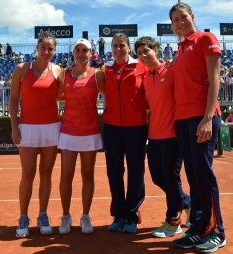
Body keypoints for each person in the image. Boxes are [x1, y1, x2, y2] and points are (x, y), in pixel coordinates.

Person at [169, 3, 226, 253]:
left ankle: (217, 231)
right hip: (183, 119)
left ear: (192, 17)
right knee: (192, 175)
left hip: (201, 116)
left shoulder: (205, 38)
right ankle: (199, 227)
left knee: (203, 174)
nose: (180, 22)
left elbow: (215, 79)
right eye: (175, 20)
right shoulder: (179, 49)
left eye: (183, 17)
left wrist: (207, 117)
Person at [134, 36, 191, 238]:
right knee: (158, 177)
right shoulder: (146, 78)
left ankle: (173, 221)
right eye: (139, 53)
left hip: (174, 135)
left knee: (171, 176)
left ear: (156, 50)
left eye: (146, 51)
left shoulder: (172, 70)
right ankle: (187, 202)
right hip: (154, 136)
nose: (143, 55)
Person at [9, 31, 61, 238]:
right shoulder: (21, 69)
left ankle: (43, 215)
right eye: (43, 47)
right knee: (28, 174)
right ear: (37, 47)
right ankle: (23, 216)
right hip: (28, 128)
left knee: (46, 174)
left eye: (50, 48)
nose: (46, 51)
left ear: (54, 51)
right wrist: (14, 127)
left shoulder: (58, 70)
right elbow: (13, 100)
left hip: (51, 128)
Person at [57, 38, 105, 235]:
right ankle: (66, 215)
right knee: (66, 175)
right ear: (73, 53)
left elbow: (110, 93)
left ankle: (85, 216)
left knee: (87, 175)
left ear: (90, 53)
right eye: (77, 50)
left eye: (85, 50)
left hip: (90, 130)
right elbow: (58, 96)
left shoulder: (98, 75)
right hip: (68, 131)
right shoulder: (63, 75)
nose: (81, 53)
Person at [102, 32, 148, 234]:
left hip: (136, 127)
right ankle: (118, 214)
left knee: (136, 171)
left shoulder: (141, 67)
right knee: (114, 171)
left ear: (129, 47)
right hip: (111, 127)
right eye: (115, 46)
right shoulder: (105, 69)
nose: (118, 49)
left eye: (122, 45)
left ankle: (132, 213)